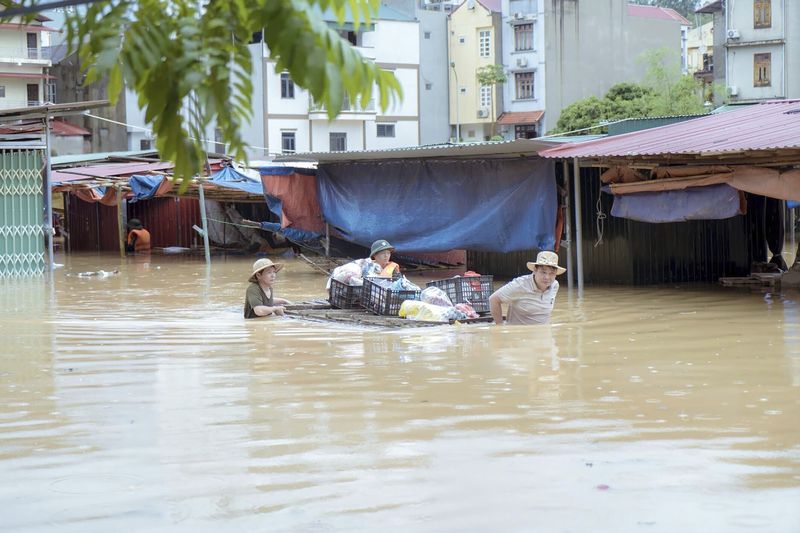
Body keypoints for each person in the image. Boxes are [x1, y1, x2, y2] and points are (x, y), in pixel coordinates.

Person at [488, 250, 566, 325]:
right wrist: (500, 326)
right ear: (535, 270)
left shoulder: (555, 285)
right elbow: (493, 299)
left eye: (552, 273)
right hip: (520, 336)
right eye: (543, 272)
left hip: (544, 334)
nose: (547, 277)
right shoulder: (520, 284)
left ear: (556, 274)